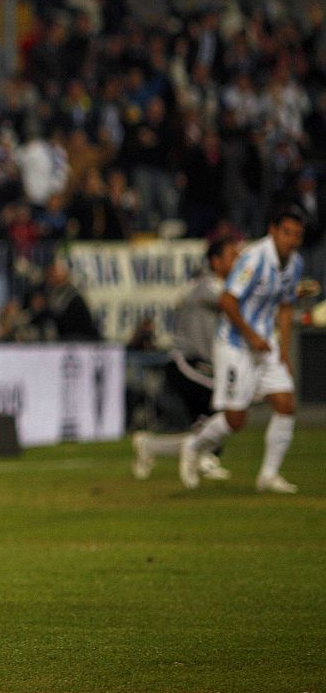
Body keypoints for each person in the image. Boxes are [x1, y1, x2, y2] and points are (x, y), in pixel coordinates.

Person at [180, 204, 307, 493]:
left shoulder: (295, 264)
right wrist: (251, 336)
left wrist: (283, 352)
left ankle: (268, 475)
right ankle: (194, 444)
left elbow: (286, 308)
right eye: (287, 233)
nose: (292, 240)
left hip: (265, 344)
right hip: (236, 344)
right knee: (236, 420)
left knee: (286, 404)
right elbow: (227, 300)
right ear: (273, 231)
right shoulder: (253, 259)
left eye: (297, 235)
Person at [131, 228, 241, 481]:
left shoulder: (219, 287)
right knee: (225, 402)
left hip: (204, 364)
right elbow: (232, 302)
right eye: (232, 256)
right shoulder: (206, 286)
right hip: (185, 361)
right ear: (216, 261)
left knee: (209, 424)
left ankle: (150, 446)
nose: (238, 262)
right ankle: (202, 458)